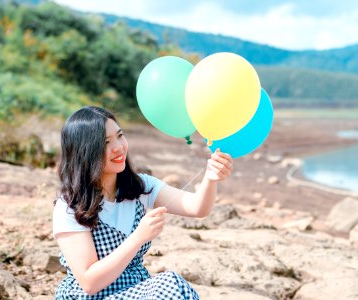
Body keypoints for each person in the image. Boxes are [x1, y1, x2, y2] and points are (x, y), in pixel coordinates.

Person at [53, 106, 233, 299]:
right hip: (91, 296)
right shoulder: (70, 206)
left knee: (172, 285)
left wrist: (211, 178)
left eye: (120, 135)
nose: (119, 147)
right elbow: (89, 283)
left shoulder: (140, 186)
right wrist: (138, 236)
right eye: (106, 142)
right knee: (168, 285)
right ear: (85, 152)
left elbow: (197, 207)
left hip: (135, 289)